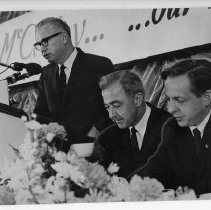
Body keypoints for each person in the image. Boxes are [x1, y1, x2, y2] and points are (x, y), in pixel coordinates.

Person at [129, 58, 211, 195]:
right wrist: (123, 185)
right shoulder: (172, 127)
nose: (171, 109)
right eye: (169, 99)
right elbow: (154, 170)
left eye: (179, 100)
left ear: (207, 98)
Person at [33, 17, 114, 147]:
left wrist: (97, 133)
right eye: (38, 44)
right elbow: (40, 115)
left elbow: (112, 106)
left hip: (98, 147)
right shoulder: (46, 73)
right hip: (61, 155)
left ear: (64, 38)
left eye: (45, 41)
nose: (42, 49)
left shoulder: (100, 65)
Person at [89, 70, 171, 177]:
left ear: (137, 99)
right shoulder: (106, 138)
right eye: (107, 107)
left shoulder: (172, 127)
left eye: (116, 105)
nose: (111, 115)